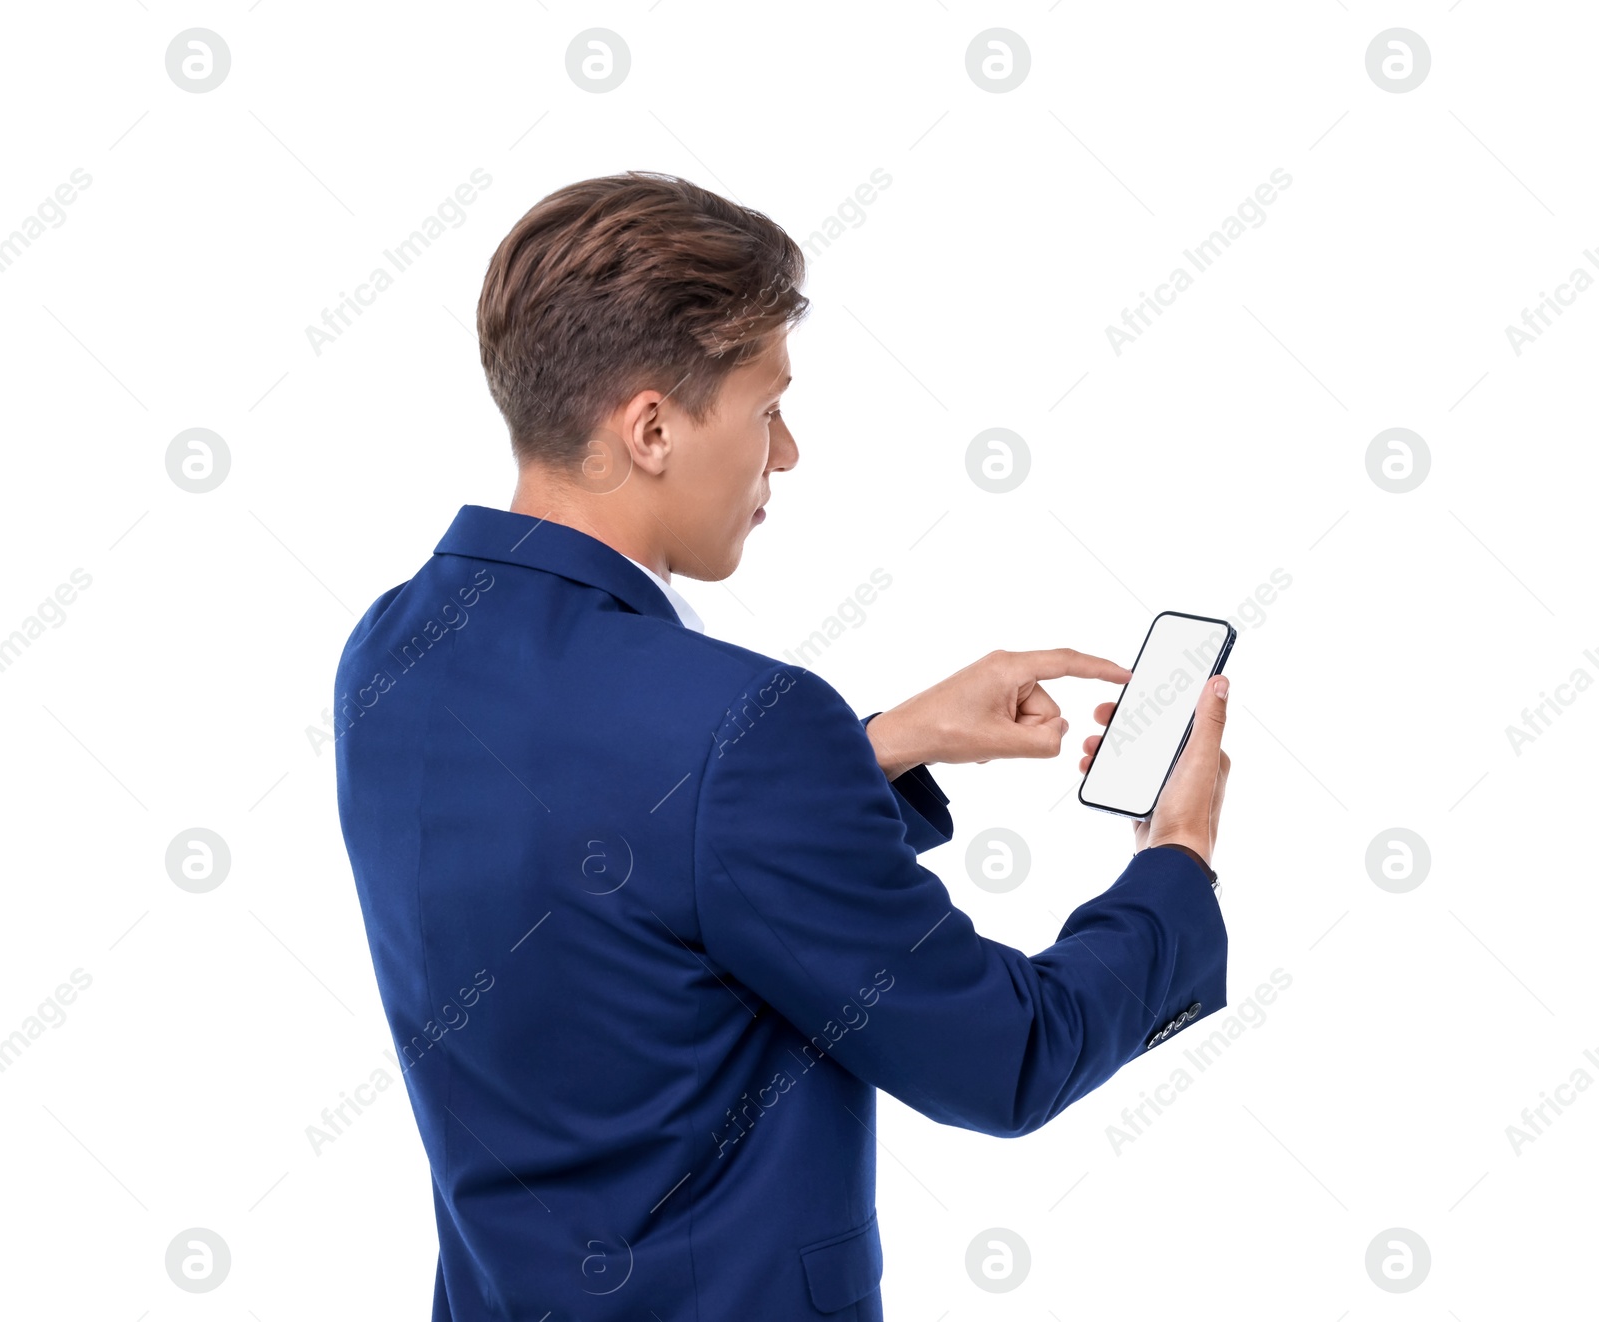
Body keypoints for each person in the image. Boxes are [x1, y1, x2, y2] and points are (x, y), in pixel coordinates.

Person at [334, 170, 1231, 1322]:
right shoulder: (745, 725)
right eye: (767, 407)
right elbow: (1006, 1055)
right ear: (651, 428)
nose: (789, 451)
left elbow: (591, 848)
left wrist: (886, 743)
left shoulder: (393, 650)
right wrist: (1177, 857)